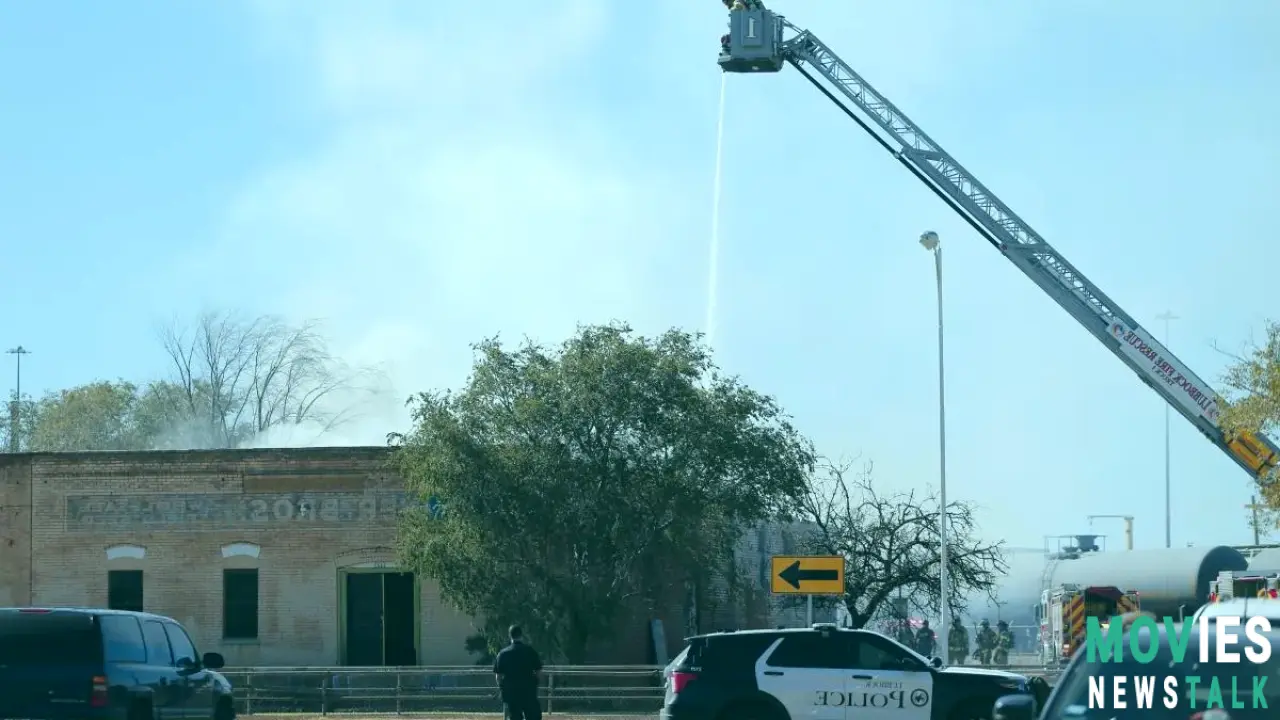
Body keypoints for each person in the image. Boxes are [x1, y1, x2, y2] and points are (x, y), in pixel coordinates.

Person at [494, 625, 543, 720]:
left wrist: (502, 687)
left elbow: (498, 676)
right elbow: (539, 672)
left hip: (511, 692)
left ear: (510, 636)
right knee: (533, 716)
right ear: (521, 635)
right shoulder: (530, 651)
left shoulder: (503, 653)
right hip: (528, 690)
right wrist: (535, 684)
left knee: (514, 716)